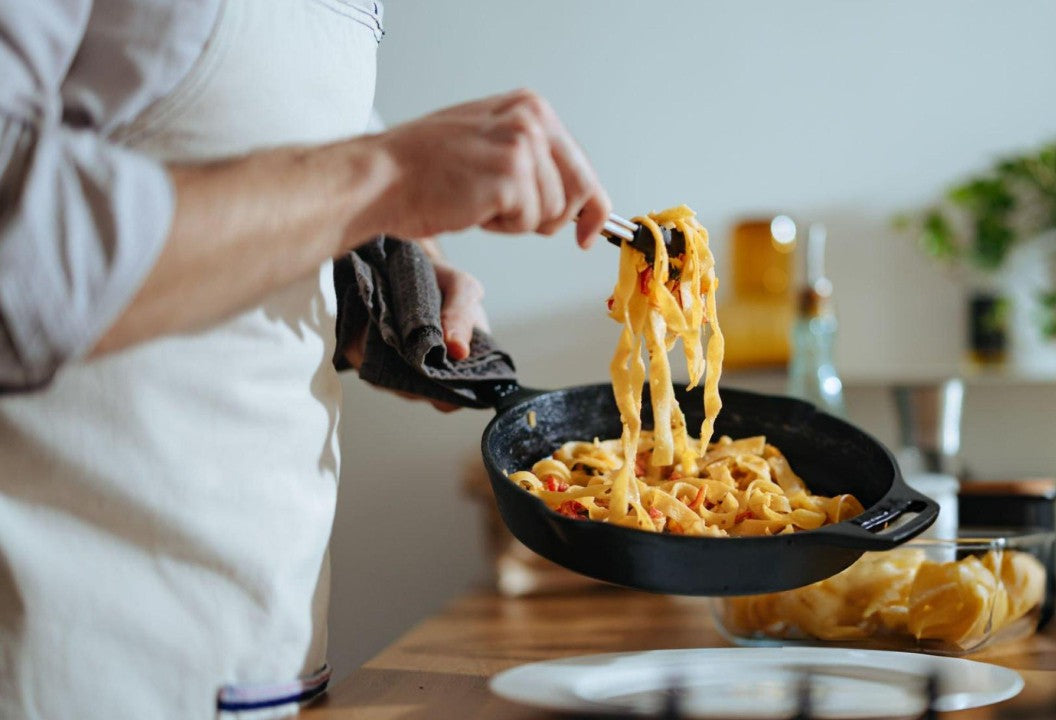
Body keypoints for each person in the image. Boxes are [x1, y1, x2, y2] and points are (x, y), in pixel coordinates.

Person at [0, 1, 610, 717]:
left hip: (265, 658)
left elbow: (248, 162)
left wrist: (380, 286)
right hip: (65, 657)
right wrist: (386, 177)